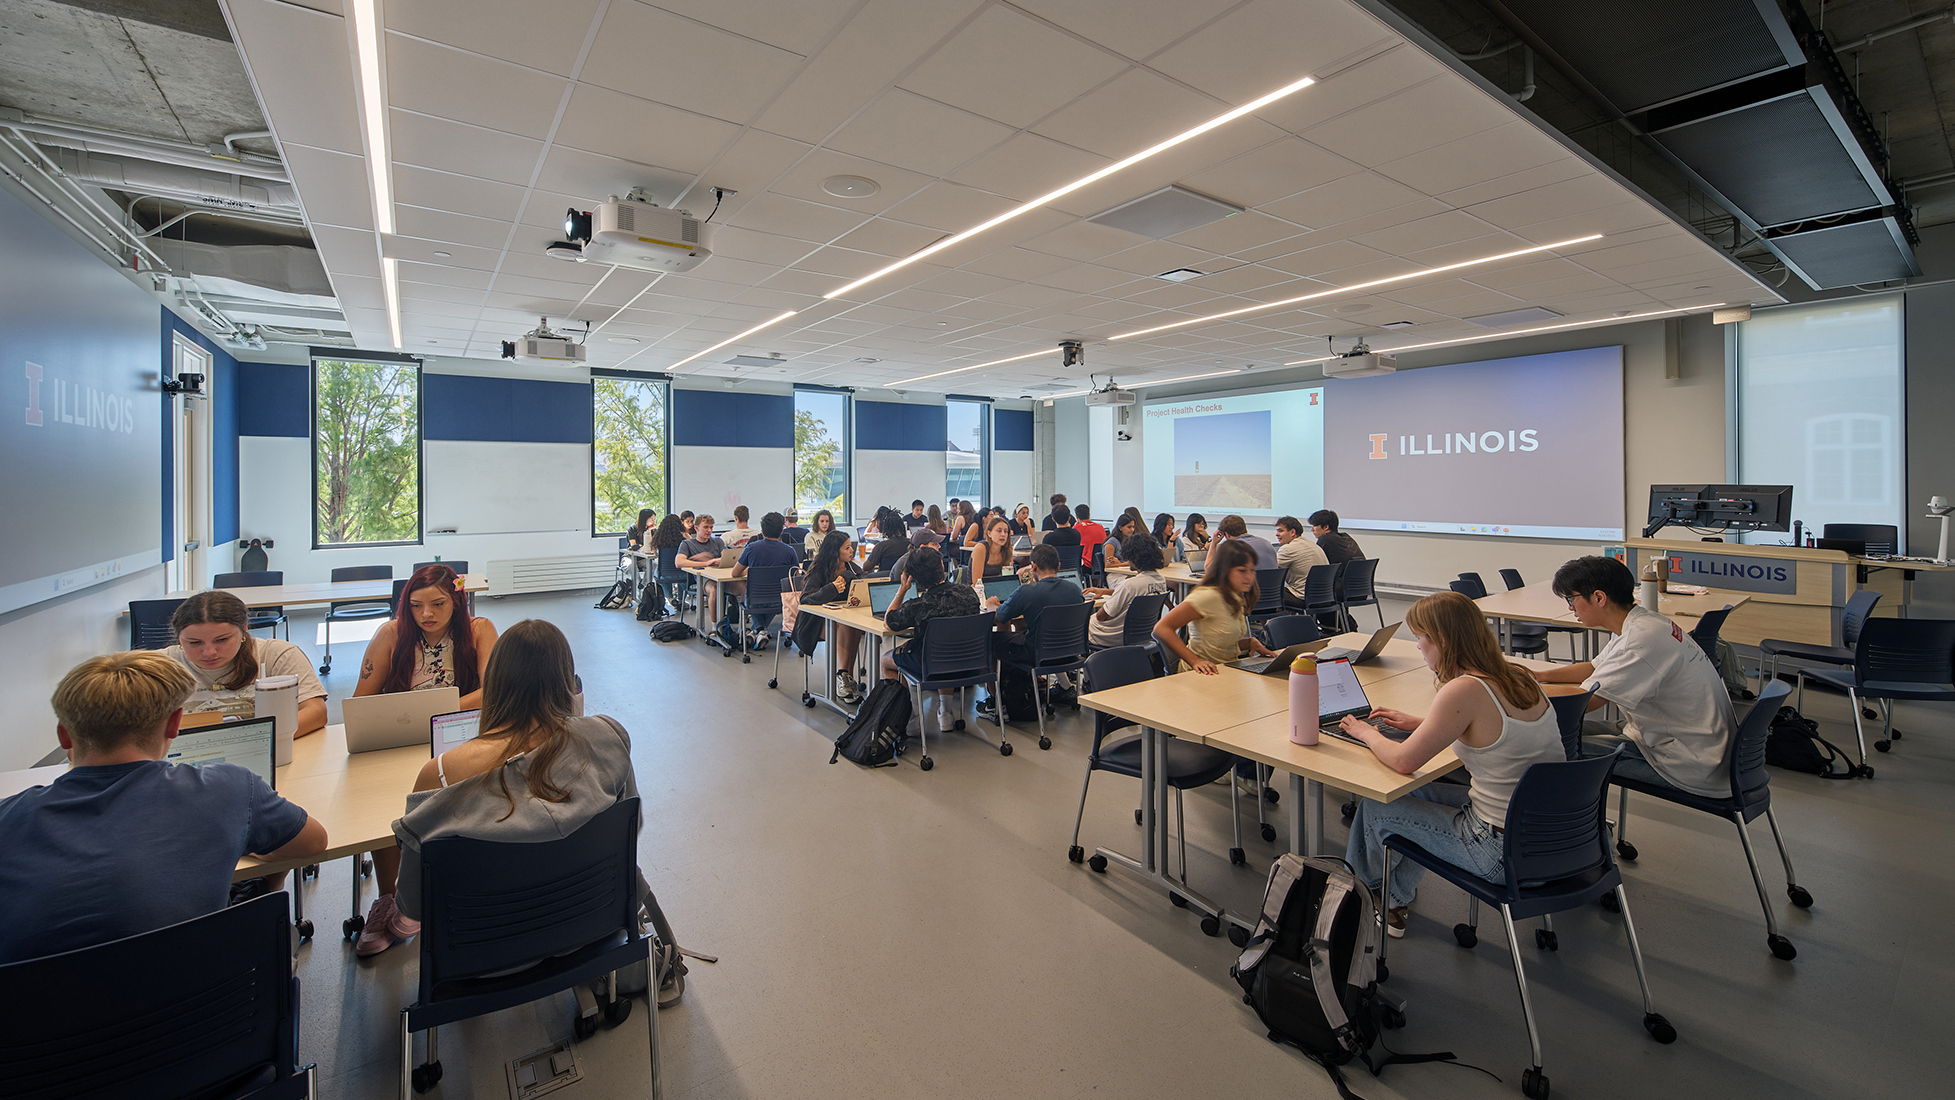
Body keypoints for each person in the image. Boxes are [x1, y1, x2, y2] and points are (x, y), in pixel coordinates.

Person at [390, 620, 685, 1004]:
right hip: (592, 930)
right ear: (567, 681)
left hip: (482, 959)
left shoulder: (440, 774)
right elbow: (630, 830)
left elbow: (413, 905)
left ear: (494, 683)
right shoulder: (607, 737)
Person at [0, 652, 327, 964]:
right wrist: (236, 837)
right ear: (175, 725)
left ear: (64, 736)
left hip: (41, 1003)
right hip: (210, 997)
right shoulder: (230, 788)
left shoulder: (8, 817)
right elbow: (313, 842)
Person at [1341, 591, 1565, 937]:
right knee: (1413, 796)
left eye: (1421, 637)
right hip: (1553, 840)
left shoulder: (1463, 690)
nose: (1418, 646)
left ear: (1442, 640)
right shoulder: (1520, 676)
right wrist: (1423, 724)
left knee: (1377, 805)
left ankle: (1363, 895)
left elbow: (1403, 761)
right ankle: (1393, 896)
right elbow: (1490, 728)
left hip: (1501, 853)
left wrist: (1365, 732)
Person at [349, 564, 498, 955]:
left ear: (457, 602)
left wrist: (433, 713)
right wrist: (419, 716)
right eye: (416, 605)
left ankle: (456, 889)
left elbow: (493, 691)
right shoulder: (391, 634)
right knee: (386, 806)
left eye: (437, 604)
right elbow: (361, 702)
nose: (426, 614)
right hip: (401, 738)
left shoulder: (479, 630)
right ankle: (389, 899)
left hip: (458, 737)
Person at [1534, 556, 1736, 798]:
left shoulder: (1639, 641)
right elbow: (1594, 667)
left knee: (1546, 745)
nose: (1570, 607)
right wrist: (1539, 675)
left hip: (1687, 761)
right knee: (1551, 729)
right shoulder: (1642, 622)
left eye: (1571, 599)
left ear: (1599, 598)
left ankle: (1574, 821)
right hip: (1679, 738)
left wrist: (1513, 687)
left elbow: (1584, 701)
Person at [164, 591, 327, 735]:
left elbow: (316, 712)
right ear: (179, 639)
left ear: (244, 630)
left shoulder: (276, 654)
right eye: (194, 642)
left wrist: (251, 741)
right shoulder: (161, 665)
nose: (209, 652)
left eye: (221, 640)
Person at [880, 545, 983, 733]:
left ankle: (909, 719)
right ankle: (945, 713)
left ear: (913, 577)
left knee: (886, 659)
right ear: (942, 567)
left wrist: (902, 590)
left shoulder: (919, 605)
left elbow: (889, 622)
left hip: (932, 665)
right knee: (947, 647)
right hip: (971, 663)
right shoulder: (969, 593)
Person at [979, 544, 1086, 719]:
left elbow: (999, 618)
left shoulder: (1027, 592)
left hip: (1036, 655)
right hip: (1069, 653)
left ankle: (997, 703)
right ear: (1059, 566)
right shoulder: (1075, 590)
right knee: (1023, 628)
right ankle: (1040, 684)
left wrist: (991, 604)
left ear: (1033, 567)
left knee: (990, 643)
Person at [1152, 540, 1275, 674]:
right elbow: (1161, 628)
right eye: (1242, 571)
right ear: (1225, 570)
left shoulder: (1234, 596)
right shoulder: (1207, 596)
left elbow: (1219, 644)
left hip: (1225, 670)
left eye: (1252, 570)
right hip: (1201, 674)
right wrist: (1195, 661)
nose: (1249, 576)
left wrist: (1250, 642)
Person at [803, 530, 866, 704]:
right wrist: (831, 588)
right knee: (845, 625)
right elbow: (805, 598)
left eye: (851, 546)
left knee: (853, 627)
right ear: (835, 551)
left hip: (843, 618)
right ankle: (842, 675)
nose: (851, 550)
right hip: (815, 621)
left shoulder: (853, 569)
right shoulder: (819, 570)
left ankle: (846, 677)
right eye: (847, 548)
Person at [1086, 533, 1169, 649]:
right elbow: (1136, 592)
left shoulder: (1129, 585)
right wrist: (1105, 592)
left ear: (1134, 557)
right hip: (1142, 635)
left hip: (1113, 637)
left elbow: (1101, 616)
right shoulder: (1160, 579)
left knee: (1082, 623)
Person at [730, 512, 801, 641]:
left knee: (750, 597)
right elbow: (795, 577)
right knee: (773, 599)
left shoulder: (751, 548)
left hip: (754, 599)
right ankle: (761, 630)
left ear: (762, 531)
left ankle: (758, 630)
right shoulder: (790, 551)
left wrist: (749, 571)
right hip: (779, 600)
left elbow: (734, 573)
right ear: (781, 531)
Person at [679, 514, 729, 621]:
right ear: (696, 528)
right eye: (706, 527)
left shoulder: (718, 541)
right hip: (704, 579)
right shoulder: (687, 544)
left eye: (711, 527)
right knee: (714, 589)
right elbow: (678, 562)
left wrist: (715, 560)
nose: (709, 530)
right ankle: (715, 625)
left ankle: (745, 625)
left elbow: (726, 558)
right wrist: (706, 563)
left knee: (744, 587)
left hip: (722, 576)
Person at [1274, 514, 1329, 609]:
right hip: (1323, 597)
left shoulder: (1288, 549)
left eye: (1280, 531)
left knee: (1264, 591)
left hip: (1303, 597)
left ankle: (1277, 619)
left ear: (1292, 532)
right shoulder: (1314, 545)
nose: (1277, 534)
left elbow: (1271, 571)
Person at [970, 515, 1014, 580]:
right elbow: (977, 581)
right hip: (978, 586)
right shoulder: (981, 548)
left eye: (1006, 531)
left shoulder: (1008, 550)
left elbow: (1007, 578)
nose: (1003, 534)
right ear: (989, 533)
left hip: (997, 585)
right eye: (999, 531)